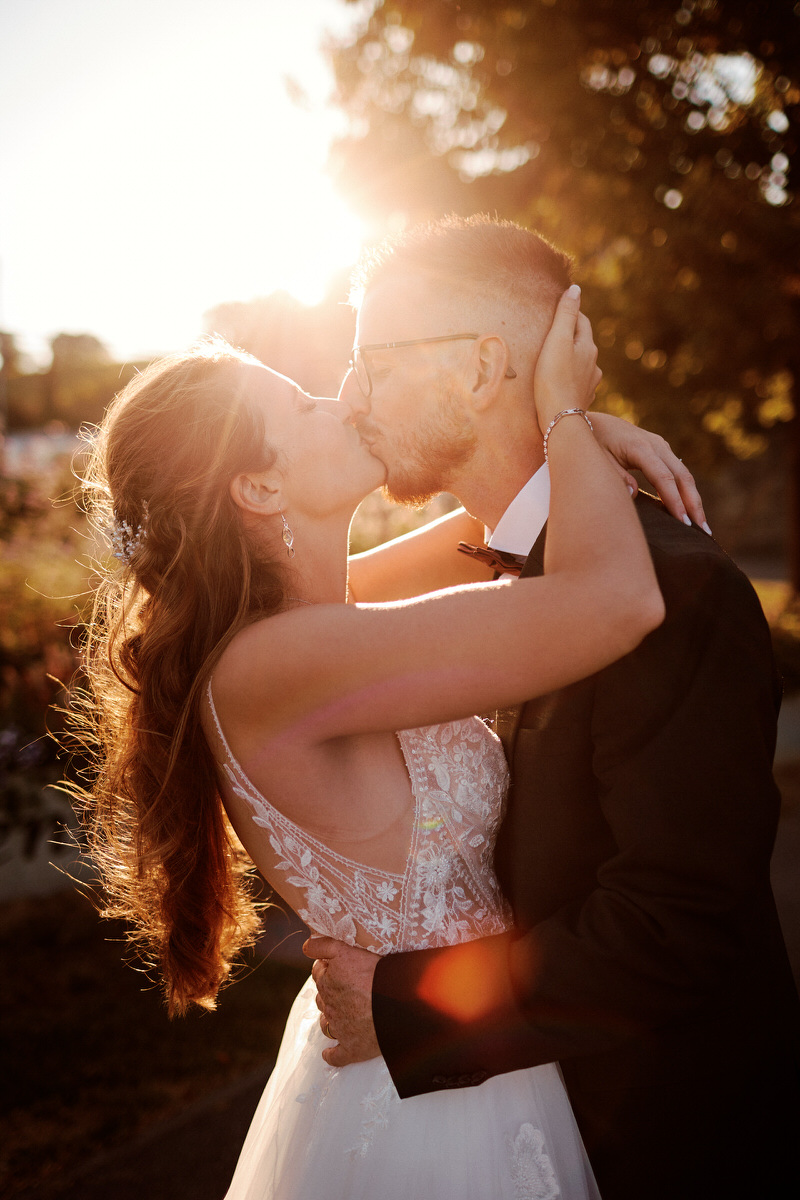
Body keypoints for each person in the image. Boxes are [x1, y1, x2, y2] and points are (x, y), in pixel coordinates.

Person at [73, 282, 693, 1199]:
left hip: (460, 1049)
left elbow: (493, 527)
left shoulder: (316, 616)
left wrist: (589, 437)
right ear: (261, 484)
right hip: (430, 1109)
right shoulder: (279, 661)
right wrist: (563, 408)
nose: (348, 399)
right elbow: (617, 602)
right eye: (308, 403)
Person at [309, 215, 800, 1200]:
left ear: (482, 365)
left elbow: (671, 923)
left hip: (662, 1146)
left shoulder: (671, 590)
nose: (350, 397)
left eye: (373, 362)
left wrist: (409, 1010)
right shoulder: (488, 570)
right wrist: (571, 438)